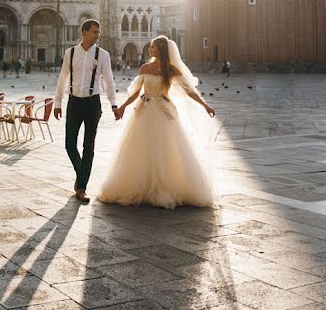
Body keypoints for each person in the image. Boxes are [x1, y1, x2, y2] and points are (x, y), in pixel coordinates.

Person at [98, 35, 218, 209]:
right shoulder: (145, 67)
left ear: (160, 50)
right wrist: (123, 106)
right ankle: (142, 187)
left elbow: (189, 91)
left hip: (163, 112)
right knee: (140, 149)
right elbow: (135, 92)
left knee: (165, 150)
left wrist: (205, 105)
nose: (149, 49)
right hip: (144, 111)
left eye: (153, 47)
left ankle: (164, 188)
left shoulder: (171, 70)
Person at [53, 19, 118, 203]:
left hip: (92, 104)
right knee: (69, 144)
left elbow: (109, 81)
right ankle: (81, 174)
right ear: (84, 32)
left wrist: (113, 104)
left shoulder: (103, 55)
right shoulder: (70, 53)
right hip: (74, 103)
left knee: (88, 147)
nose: (97, 35)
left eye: (98, 32)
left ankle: (81, 187)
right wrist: (57, 102)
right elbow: (63, 78)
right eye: (94, 32)